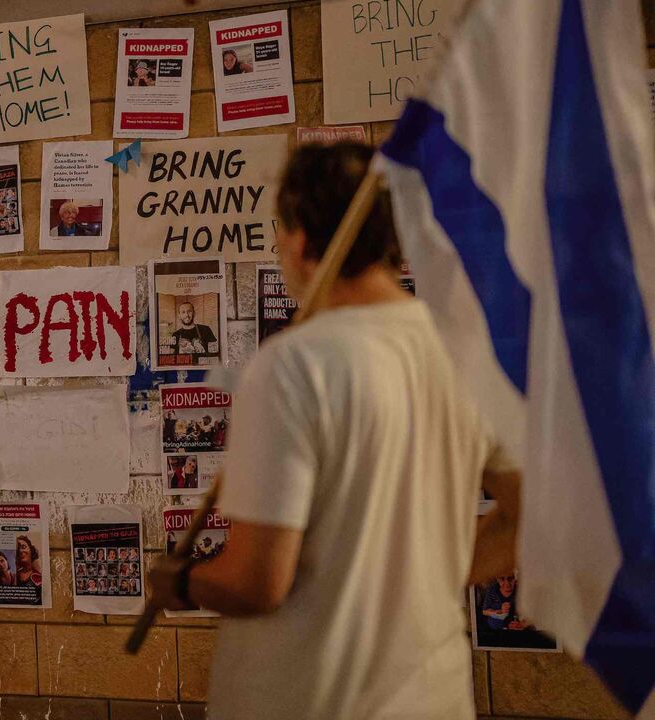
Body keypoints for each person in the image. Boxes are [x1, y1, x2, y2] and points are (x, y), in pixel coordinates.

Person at [147, 143, 522, 720]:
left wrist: (181, 582)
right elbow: (531, 516)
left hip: (309, 699)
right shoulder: (471, 356)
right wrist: (424, 572)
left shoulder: (294, 365)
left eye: (279, 236)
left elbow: (256, 582)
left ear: (300, 243)